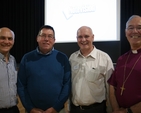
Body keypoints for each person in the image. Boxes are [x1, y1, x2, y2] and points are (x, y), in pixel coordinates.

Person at [17, 25, 71, 113]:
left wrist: (55, 108)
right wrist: (30, 108)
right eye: (43, 35)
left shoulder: (62, 58)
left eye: (50, 36)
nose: (46, 39)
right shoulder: (27, 58)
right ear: (37, 38)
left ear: (54, 40)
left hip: (58, 110)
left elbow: (67, 85)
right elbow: (21, 85)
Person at [69, 26, 114, 113]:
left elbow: (110, 87)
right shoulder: (72, 58)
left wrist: (111, 109)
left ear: (93, 37)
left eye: (86, 36)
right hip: (75, 109)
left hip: (97, 109)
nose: (83, 40)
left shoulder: (104, 58)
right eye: (80, 37)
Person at [108, 15, 141, 113]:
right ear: (125, 32)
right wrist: (116, 109)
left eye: (139, 28)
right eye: (130, 28)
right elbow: (112, 86)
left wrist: (128, 111)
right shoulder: (122, 59)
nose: (134, 31)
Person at [0, 27, 19, 113]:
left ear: (13, 42)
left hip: (13, 109)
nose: (6, 42)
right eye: (2, 38)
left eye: (10, 39)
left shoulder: (12, 60)